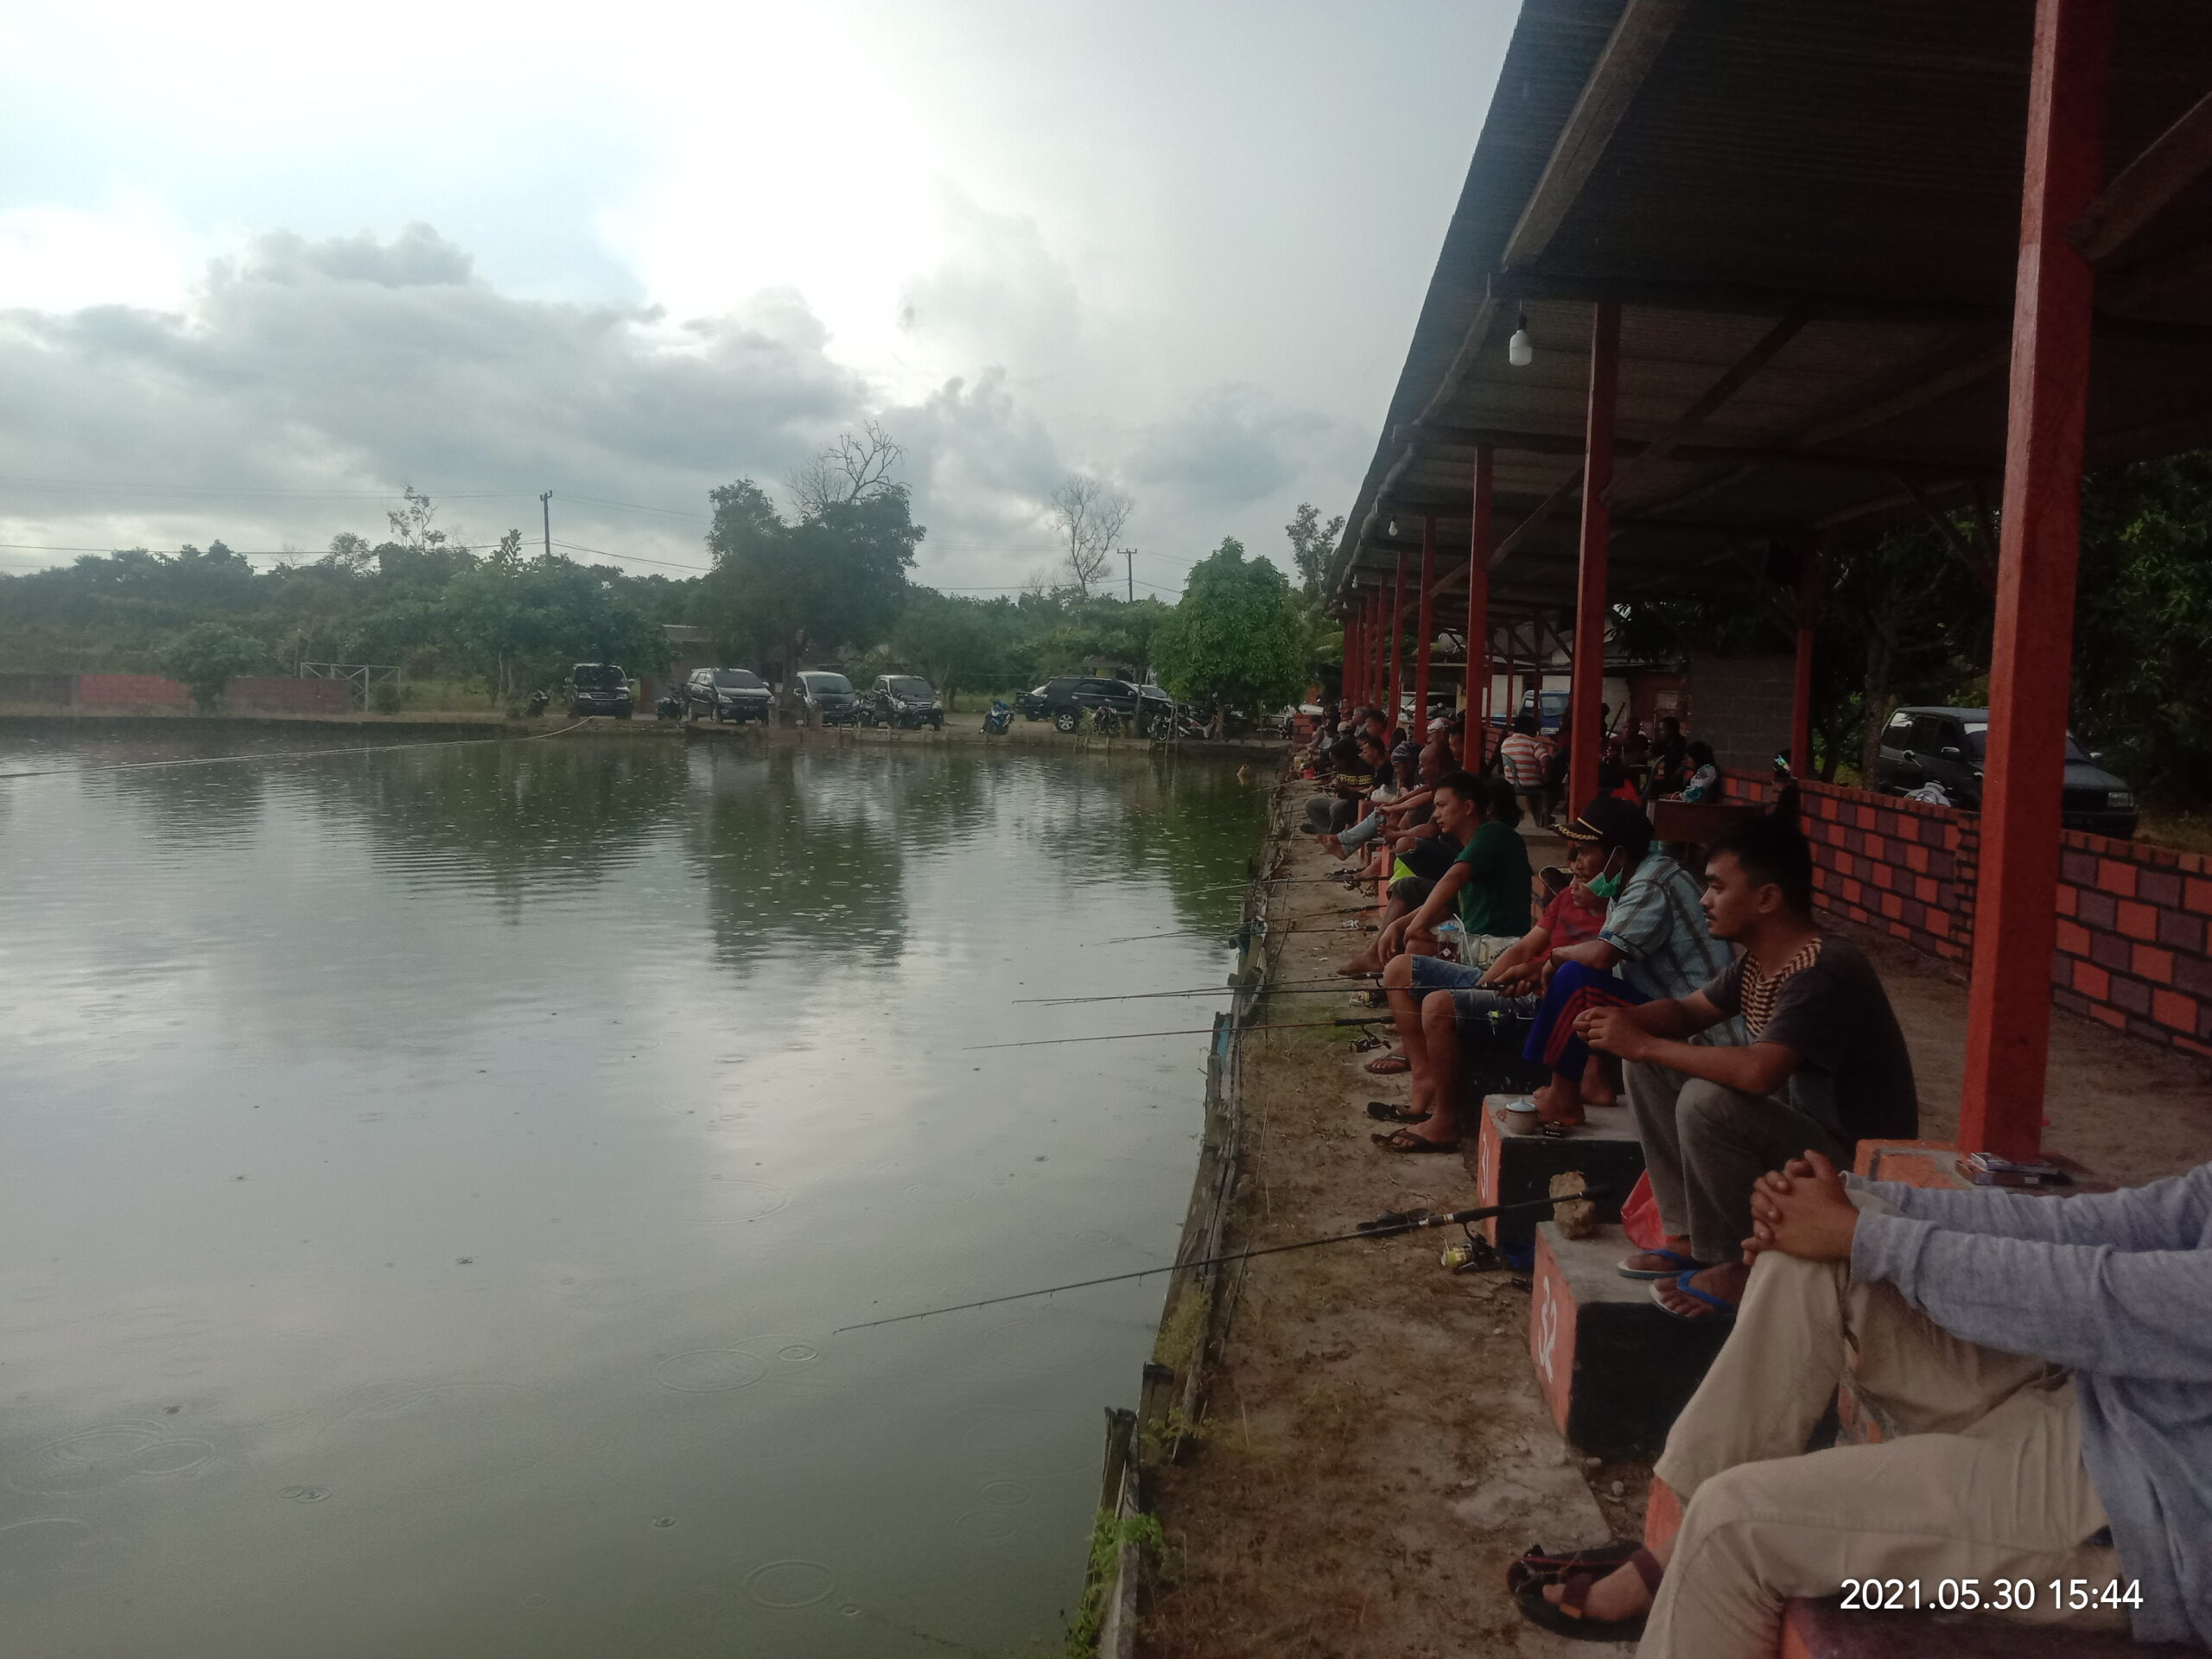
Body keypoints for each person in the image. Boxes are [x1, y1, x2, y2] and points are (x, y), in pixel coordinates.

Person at [1526, 1153, 2212, 1655]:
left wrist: (1863, 1233)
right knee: (1815, 1257)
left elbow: (2109, 1301)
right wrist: (1854, 1203)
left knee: (1734, 1526)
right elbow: (2111, 1224)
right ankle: (1679, 1545)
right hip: (2092, 1408)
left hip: (2145, 1534)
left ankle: (1699, 1549)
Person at [1576, 794, 1916, 1320]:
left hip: (1853, 1170)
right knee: (1646, 1065)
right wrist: (1622, 1024)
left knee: (1707, 1100)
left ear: (1767, 898)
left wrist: (1640, 1040)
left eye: (1716, 886)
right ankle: (1688, 1234)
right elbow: (1690, 1012)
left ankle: (1738, 1261)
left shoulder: (1821, 968)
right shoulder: (1760, 962)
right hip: (1802, 1144)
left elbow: (1760, 1073)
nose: (1705, 900)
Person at [1370, 830, 1613, 1142]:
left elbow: (1592, 975)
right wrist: (1486, 986)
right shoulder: (1566, 898)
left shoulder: (1616, 918)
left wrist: (1530, 974)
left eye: (1585, 869)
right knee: (1400, 969)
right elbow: (1521, 950)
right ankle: (1423, 1078)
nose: (1576, 873)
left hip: (1539, 1003)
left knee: (1438, 1005)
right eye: (1575, 863)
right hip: (1510, 981)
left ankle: (1445, 1121)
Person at [1364, 776, 1534, 1152]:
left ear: (1469, 806)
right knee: (1413, 948)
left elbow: (1454, 879)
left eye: (1442, 805)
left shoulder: (1494, 835)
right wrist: (1401, 924)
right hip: (1477, 953)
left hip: (1497, 959)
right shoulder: (1473, 845)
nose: (1436, 814)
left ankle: (1438, 1104)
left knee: (1401, 968)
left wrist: (1414, 924)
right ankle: (1422, 1078)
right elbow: (1449, 904)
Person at [1499, 714, 1551, 828]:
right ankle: (1543, 818)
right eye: (1534, 727)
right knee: (1552, 788)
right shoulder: (1533, 743)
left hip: (1511, 784)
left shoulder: (1505, 743)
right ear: (1527, 728)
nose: (1536, 730)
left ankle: (1539, 818)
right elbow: (1545, 757)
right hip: (1532, 783)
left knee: (1533, 793)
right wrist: (1544, 772)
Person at [1647, 715, 1689, 800]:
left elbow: (1683, 764)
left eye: (1663, 730)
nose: (1661, 732)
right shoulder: (1661, 742)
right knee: (1642, 777)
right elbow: (1648, 756)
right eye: (1660, 730)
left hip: (1673, 780)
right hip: (1658, 775)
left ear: (1672, 730)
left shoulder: (1682, 743)